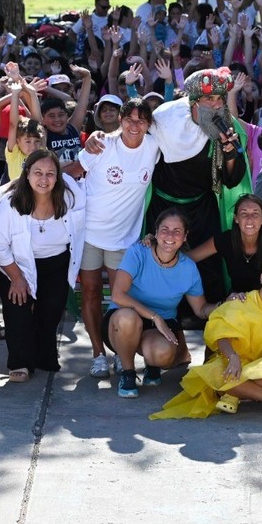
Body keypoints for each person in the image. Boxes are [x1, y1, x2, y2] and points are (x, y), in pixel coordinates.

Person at [150, 240, 262, 419]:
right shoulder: (242, 301)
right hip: (235, 364)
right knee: (222, 376)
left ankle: (235, 394)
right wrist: (233, 356)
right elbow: (221, 336)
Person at [140, 67, 252, 302]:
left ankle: (206, 316)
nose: (215, 104)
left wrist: (230, 152)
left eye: (219, 99)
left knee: (208, 265)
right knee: (161, 258)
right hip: (163, 205)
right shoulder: (165, 119)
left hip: (202, 206)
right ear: (193, 101)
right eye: (208, 98)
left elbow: (232, 179)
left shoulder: (227, 126)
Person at [76, 98, 160, 377]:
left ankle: (118, 352)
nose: (134, 125)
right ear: (121, 119)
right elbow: (74, 173)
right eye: (129, 119)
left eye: (141, 120)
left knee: (120, 299)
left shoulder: (155, 146)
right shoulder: (101, 144)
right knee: (89, 293)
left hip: (124, 238)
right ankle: (98, 353)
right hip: (88, 233)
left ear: (149, 124)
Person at [105, 208, 217, 399]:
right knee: (128, 318)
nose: (170, 236)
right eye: (165, 229)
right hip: (123, 319)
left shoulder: (188, 267)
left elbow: (200, 309)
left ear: (185, 236)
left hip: (159, 326)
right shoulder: (138, 252)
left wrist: (226, 305)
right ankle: (128, 372)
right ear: (155, 232)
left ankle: (152, 365)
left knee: (162, 354)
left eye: (177, 231)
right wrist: (155, 317)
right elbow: (118, 295)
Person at [0, 150, 86, 381]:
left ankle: (44, 356)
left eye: (50, 173)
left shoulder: (69, 197)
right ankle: (20, 363)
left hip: (56, 262)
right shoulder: (10, 203)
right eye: (37, 173)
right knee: (18, 310)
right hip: (15, 265)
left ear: (58, 177)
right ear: (26, 174)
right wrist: (16, 278)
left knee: (51, 312)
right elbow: (0, 247)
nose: (43, 179)